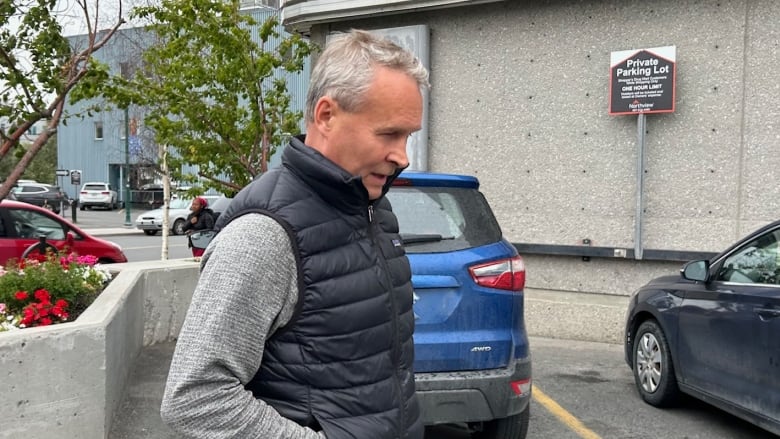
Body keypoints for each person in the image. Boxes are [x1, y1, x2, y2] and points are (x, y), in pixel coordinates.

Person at [160, 29, 430, 439]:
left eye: (408, 136)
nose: (403, 156)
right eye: (389, 133)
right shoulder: (264, 235)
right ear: (326, 116)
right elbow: (195, 398)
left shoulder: (372, 208)